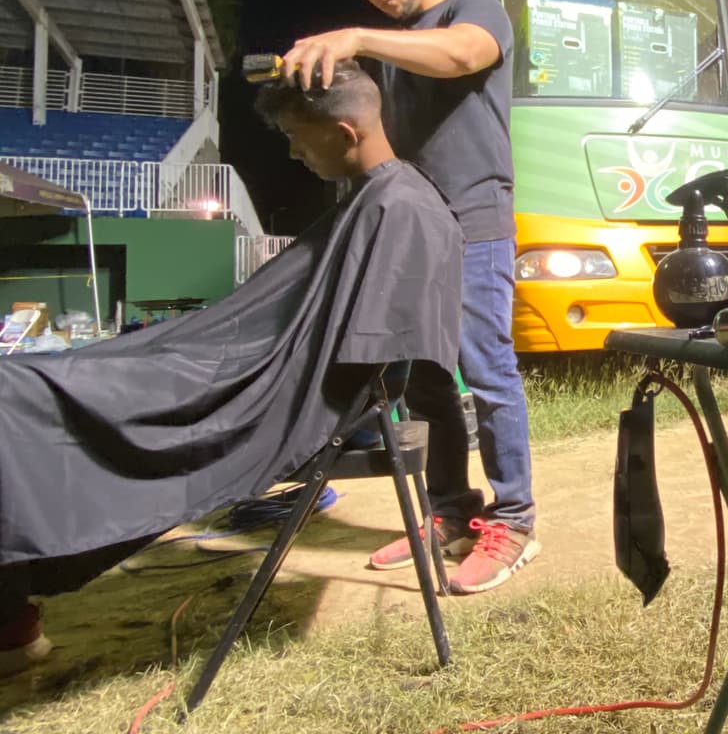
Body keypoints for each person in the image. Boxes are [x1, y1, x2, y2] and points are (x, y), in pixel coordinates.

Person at [0, 61, 463, 676]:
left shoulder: (399, 208)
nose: (294, 153)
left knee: (21, 397)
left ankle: (11, 618)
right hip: (237, 366)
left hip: (266, 394)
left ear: (346, 133)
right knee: (51, 380)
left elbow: (369, 362)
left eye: (297, 137)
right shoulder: (381, 200)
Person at [282, 0, 539, 595]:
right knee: (426, 382)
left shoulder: (471, 8)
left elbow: (463, 55)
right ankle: (451, 512)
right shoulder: (389, 58)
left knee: (487, 373)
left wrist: (359, 38)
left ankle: (514, 520)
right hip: (418, 226)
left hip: (476, 217)